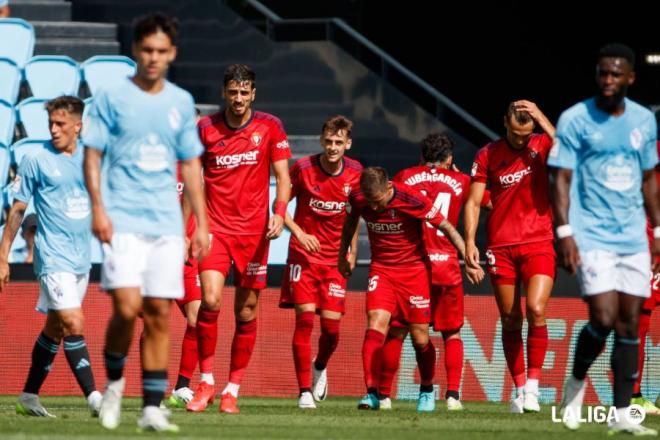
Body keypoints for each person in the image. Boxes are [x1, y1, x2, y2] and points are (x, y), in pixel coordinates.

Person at [82, 13, 208, 432]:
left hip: (167, 225)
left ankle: (153, 405)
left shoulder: (180, 102)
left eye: (161, 51)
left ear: (171, 53)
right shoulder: (110, 97)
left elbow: (191, 166)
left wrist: (202, 224)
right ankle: (115, 384)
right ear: (136, 50)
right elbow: (93, 156)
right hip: (122, 219)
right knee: (127, 306)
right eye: (147, 50)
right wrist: (98, 208)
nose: (153, 57)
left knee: (158, 311)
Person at [549, 43, 659, 435]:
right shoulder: (575, 118)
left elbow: (649, 179)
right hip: (590, 232)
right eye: (602, 73)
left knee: (630, 324)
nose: (608, 80)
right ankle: (576, 382)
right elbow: (559, 178)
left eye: (616, 74)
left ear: (630, 77)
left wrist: (657, 229)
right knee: (604, 317)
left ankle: (621, 416)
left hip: (633, 235)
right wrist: (565, 233)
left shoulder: (644, 121)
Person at [186, 63, 291, 414]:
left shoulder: (270, 126)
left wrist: (279, 212)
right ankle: (206, 383)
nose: (239, 98)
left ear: (253, 94)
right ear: (224, 92)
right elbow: (192, 178)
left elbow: (283, 177)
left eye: (244, 92)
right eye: (233, 91)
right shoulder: (205, 129)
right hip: (215, 228)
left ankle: (232, 388)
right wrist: (191, 227)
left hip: (255, 233)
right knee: (211, 301)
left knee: (246, 310)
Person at [338, 167, 483, 412]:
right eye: (370, 202)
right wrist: (344, 254)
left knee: (420, 338)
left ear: (389, 188)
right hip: (382, 269)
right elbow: (350, 221)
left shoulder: (411, 198)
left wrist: (466, 254)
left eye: (379, 201)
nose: (374, 208)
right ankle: (372, 393)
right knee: (375, 321)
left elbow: (446, 225)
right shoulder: (358, 197)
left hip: (414, 272)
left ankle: (426, 389)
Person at [0, 96, 102, 418]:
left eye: (60, 124)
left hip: (81, 259)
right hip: (52, 256)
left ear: (78, 126)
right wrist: (3, 257)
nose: (54, 130)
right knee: (73, 321)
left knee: (56, 328)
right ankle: (96, 399)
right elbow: (18, 210)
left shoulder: (92, 158)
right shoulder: (35, 159)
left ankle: (29, 396)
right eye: (50, 124)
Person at [377, 133, 490, 411]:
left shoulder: (405, 175)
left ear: (421, 156)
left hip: (414, 266)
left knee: (398, 331)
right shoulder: (462, 181)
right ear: (449, 159)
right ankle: (452, 396)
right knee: (451, 333)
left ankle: (383, 395)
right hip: (447, 266)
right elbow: (489, 203)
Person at [464, 100, 556, 413]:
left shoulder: (542, 144)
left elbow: (571, 151)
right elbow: (474, 202)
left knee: (536, 308)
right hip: (501, 246)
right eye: (516, 134)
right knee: (510, 318)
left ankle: (533, 387)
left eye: (525, 134)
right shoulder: (487, 154)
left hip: (539, 241)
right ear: (505, 122)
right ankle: (518, 391)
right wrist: (469, 242)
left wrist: (541, 118)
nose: (520, 140)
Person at [279, 115, 362, 409]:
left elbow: (355, 215)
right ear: (321, 140)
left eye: (339, 142)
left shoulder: (355, 173)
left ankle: (320, 365)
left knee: (331, 330)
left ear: (348, 144)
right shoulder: (303, 168)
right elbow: (280, 206)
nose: (332, 147)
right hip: (304, 257)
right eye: (328, 141)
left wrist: (350, 252)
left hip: (334, 261)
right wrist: (299, 233)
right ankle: (303, 392)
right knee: (303, 322)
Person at [165, 167, 203, 408]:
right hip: (158, 254)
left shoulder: (192, 162)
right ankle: (152, 389)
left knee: (198, 318)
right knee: (153, 322)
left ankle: (181, 386)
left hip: (186, 256)